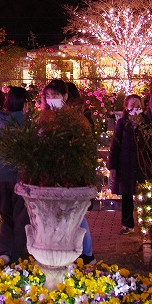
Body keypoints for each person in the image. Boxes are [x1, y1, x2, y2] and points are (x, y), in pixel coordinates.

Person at [40, 79, 94, 263]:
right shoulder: (45, 116)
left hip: (71, 173)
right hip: (48, 172)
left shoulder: (77, 119)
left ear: (65, 96)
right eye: (48, 96)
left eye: (54, 96)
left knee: (75, 214)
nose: (51, 99)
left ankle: (86, 253)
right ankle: (57, 251)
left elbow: (84, 145)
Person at [110, 93, 152, 234]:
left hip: (143, 164)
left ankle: (147, 224)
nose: (135, 109)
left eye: (138, 106)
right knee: (127, 195)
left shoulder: (146, 122)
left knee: (145, 194)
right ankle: (127, 224)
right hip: (126, 164)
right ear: (126, 107)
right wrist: (112, 167)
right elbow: (115, 146)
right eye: (132, 106)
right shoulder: (122, 123)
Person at [0, 86, 30, 262]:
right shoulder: (23, 123)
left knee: (6, 216)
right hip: (17, 176)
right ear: (24, 104)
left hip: (0, 174)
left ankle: (4, 252)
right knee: (21, 216)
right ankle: (19, 256)